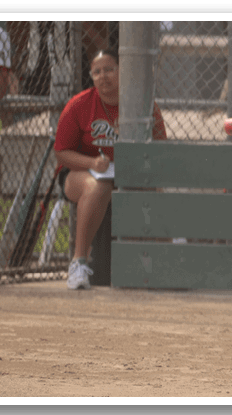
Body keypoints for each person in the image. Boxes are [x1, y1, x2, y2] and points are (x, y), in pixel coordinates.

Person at [54, 49, 168, 290]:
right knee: (97, 187)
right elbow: (62, 153)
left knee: (155, 193)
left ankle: (163, 264)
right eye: (97, 72)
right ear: (91, 77)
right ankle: (79, 264)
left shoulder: (142, 105)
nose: (103, 76)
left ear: (121, 71)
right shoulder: (80, 105)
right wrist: (92, 164)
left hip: (129, 174)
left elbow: (160, 149)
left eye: (109, 69)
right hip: (81, 174)